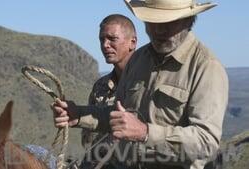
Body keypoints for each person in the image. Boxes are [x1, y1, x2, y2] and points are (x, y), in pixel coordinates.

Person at [52, 0, 228, 168]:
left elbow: (206, 143)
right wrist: (79, 115)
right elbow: (117, 115)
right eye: (152, 21)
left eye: (168, 22)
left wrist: (145, 133)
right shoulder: (138, 60)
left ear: (188, 21)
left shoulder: (206, 68)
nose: (159, 30)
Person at [80, 14, 137, 168]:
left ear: (132, 42)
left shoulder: (146, 83)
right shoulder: (100, 86)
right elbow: (88, 139)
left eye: (112, 39)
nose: (105, 45)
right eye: (101, 39)